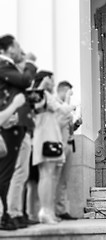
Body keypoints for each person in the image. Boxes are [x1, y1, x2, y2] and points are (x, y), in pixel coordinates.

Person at [0, 34, 37, 230]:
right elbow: (24, 80)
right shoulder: (3, 65)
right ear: (8, 48)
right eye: (17, 47)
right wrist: (29, 62)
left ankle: (15, 212)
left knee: (20, 173)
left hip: (20, 125)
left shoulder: (10, 68)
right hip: (8, 125)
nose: (19, 50)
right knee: (9, 173)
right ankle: (9, 214)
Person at [32, 71, 74, 224]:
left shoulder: (45, 95)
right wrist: (70, 102)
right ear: (46, 79)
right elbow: (62, 109)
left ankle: (49, 210)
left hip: (51, 137)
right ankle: (45, 211)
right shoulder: (40, 94)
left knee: (51, 177)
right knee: (46, 176)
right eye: (51, 79)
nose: (53, 83)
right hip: (45, 138)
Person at [54, 81, 81, 220]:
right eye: (70, 92)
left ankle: (62, 209)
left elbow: (66, 128)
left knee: (64, 179)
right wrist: (69, 111)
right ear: (64, 91)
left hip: (70, 144)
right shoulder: (56, 105)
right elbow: (57, 125)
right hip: (59, 146)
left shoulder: (66, 108)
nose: (72, 95)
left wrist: (75, 125)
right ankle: (54, 210)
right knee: (55, 178)